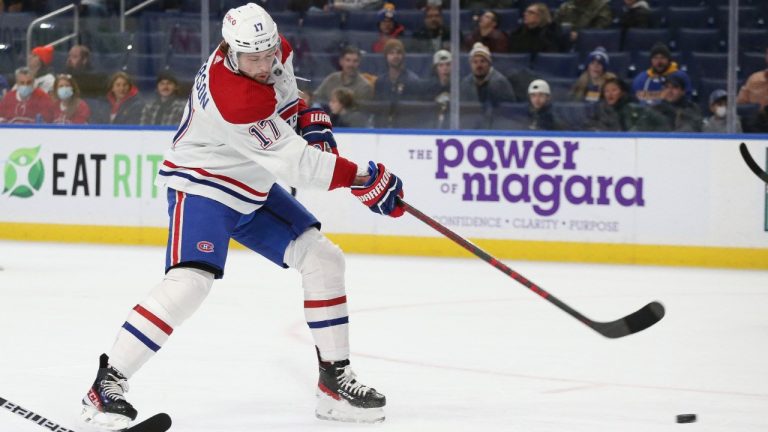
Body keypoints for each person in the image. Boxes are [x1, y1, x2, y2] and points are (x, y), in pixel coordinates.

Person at [79, 3, 405, 430]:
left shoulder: (271, 52)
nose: (264, 63)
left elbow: (288, 101)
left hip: (250, 184)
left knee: (324, 260)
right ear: (230, 51)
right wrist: (363, 177)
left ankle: (334, 382)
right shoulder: (234, 96)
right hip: (204, 185)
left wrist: (311, 116)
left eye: (269, 53)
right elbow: (299, 166)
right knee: (189, 284)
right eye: (252, 57)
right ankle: (106, 386)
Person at [587, 76, 665, 131]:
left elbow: (660, 121)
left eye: (614, 90)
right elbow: (590, 126)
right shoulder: (601, 110)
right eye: (606, 91)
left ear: (622, 92)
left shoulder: (634, 108)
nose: (610, 94)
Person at [460, 42, 515, 106]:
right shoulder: (465, 83)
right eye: (475, 62)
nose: (479, 65)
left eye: (482, 61)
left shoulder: (500, 83)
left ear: (489, 63)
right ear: (470, 65)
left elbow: (508, 110)